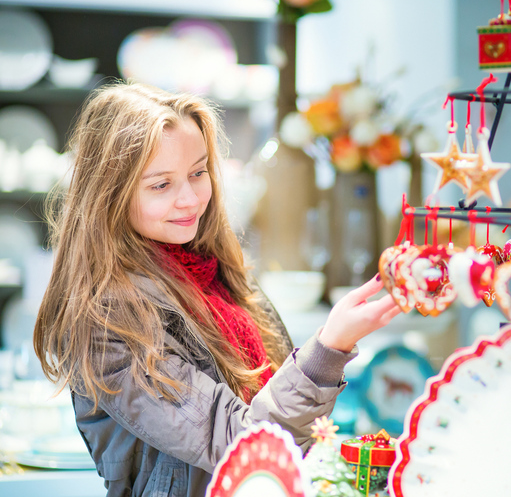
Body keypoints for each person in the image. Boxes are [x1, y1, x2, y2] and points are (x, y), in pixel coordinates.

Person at [33, 82, 401, 497]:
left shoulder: (215, 272)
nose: (190, 199)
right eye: (161, 185)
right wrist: (330, 347)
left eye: (198, 172)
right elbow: (243, 445)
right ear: (110, 195)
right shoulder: (107, 319)